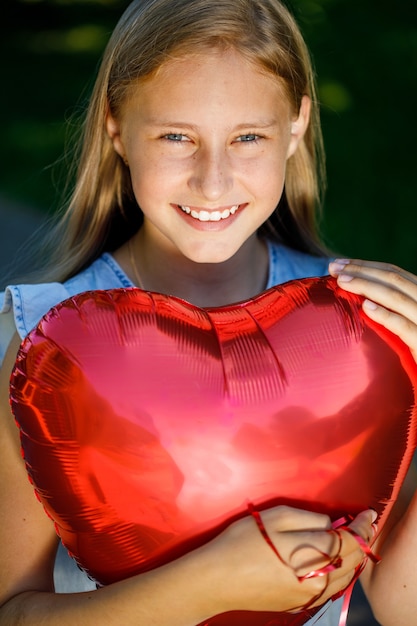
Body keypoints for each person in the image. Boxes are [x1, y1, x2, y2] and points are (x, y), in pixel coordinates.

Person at [1, 0, 417, 624]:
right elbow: (15, 612)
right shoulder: (43, 339)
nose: (213, 181)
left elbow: (402, 605)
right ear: (115, 127)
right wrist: (209, 583)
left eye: (248, 137)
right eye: (176, 137)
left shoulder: (361, 328)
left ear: (297, 125)